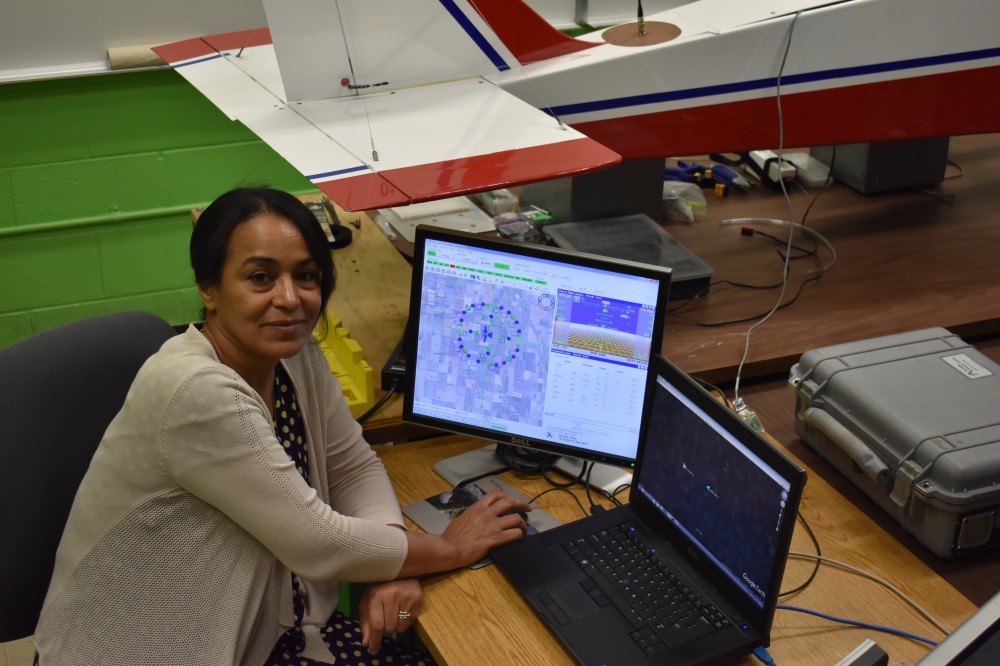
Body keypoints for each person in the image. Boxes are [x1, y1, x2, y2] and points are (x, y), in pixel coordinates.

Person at [33, 187, 532, 666]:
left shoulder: (295, 354)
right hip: (151, 650)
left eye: (306, 276)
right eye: (261, 278)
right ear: (209, 288)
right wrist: (448, 548)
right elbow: (321, 543)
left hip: (262, 633)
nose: (290, 298)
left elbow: (351, 464)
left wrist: (392, 562)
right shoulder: (197, 392)